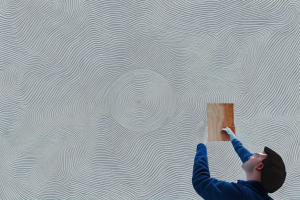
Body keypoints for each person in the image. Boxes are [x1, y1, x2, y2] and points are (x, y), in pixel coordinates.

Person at [192, 126, 286, 200]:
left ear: (259, 166)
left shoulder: (239, 194)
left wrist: (201, 144)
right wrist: (233, 138)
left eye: (256, 155)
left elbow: (200, 181)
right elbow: (248, 158)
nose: (251, 155)